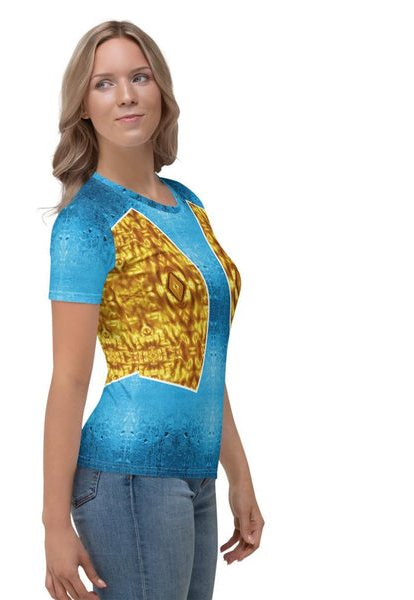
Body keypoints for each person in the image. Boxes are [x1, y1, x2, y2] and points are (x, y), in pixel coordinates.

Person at [42, 20, 264, 600]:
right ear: (83, 106)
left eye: (139, 77)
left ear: (161, 89)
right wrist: (53, 524)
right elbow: (69, 379)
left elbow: (205, 356)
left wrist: (238, 475)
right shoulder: (86, 222)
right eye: (104, 83)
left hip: (196, 475)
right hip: (128, 475)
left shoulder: (188, 204)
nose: (126, 95)